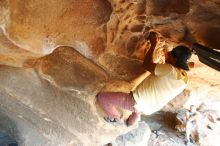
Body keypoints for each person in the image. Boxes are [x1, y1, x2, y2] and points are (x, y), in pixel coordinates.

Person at [97, 32, 193, 126]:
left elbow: (147, 65)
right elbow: (167, 74)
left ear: (175, 59)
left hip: (136, 101)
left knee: (102, 97)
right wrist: (168, 58)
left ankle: (115, 118)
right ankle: (131, 122)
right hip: (150, 107)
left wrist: (153, 44)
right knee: (138, 110)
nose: (167, 56)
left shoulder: (170, 70)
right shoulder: (185, 79)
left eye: (170, 55)